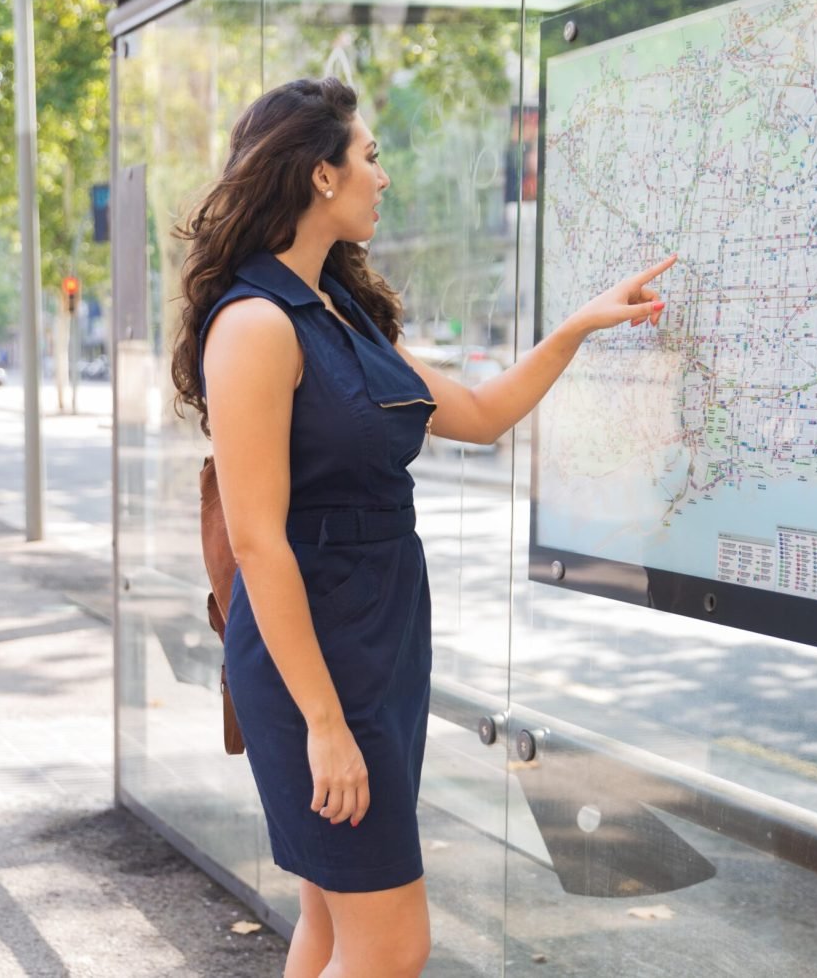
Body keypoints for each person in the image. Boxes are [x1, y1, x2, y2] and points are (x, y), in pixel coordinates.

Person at [171, 76, 674, 978]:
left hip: (382, 641)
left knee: (331, 924)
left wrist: (579, 328)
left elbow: (478, 413)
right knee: (394, 944)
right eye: (370, 156)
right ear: (320, 175)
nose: (384, 176)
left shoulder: (339, 309)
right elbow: (258, 542)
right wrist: (324, 724)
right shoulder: (254, 323)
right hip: (313, 661)